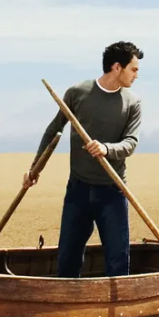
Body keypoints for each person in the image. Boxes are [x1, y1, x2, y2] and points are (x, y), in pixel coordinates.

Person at [24, 41, 143, 277]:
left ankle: (118, 311)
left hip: (113, 190)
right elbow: (53, 131)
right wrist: (34, 169)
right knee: (68, 256)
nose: (136, 75)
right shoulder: (78, 93)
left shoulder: (132, 103)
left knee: (118, 260)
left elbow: (131, 142)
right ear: (117, 67)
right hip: (78, 189)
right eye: (134, 69)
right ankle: (67, 307)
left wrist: (106, 149)